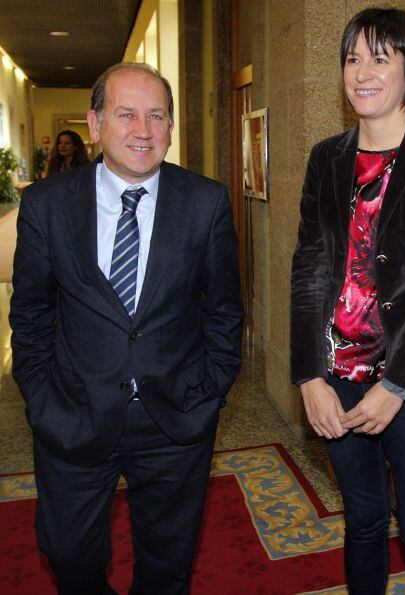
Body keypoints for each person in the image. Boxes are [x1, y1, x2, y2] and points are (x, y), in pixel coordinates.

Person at [10, 62, 243, 594]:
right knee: (68, 554)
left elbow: (225, 311)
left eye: (157, 116)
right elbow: (30, 315)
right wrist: (42, 398)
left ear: (171, 127)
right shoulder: (47, 205)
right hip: (72, 412)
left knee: (168, 564)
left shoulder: (205, 202)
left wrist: (208, 393)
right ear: (95, 125)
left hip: (174, 417)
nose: (143, 130)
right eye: (127, 114)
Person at [290, 8, 405, 594]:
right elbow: (309, 269)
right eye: (352, 58)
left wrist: (396, 386)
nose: (362, 72)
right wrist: (307, 377)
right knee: (363, 520)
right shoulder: (326, 157)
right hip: (337, 375)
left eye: (379, 57)